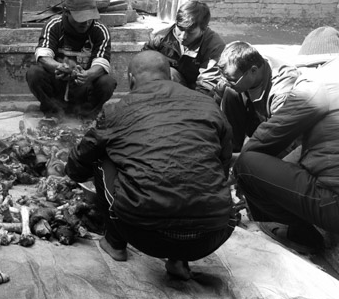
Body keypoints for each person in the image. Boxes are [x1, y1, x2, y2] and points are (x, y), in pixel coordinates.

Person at [65, 50, 235, 280]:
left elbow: (78, 163)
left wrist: (72, 172)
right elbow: (222, 166)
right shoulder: (208, 105)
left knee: (100, 154)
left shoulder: (117, 110)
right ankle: (179, 260)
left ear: (131, 78)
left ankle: (115, 244)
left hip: (143, 233)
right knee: (197, 166)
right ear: (169, 75)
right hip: (211, 234)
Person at [233, 55, 339, 255]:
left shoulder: (320, 82)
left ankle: (301, 235)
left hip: (333, 204)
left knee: (247, 164)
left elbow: (272, 134)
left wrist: (238, 172)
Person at [25, 0, 117, 117]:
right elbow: (43, 56)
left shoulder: (100, 30)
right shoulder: (54, 25)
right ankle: (53, 113)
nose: (85, 22)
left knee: (107, 82)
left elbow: (102, 63)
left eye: (89, 17)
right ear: (66, 12)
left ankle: (87, 115)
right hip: (59, 86)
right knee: (34, 73)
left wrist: (88, 74)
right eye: (80, 18)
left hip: (84, 89)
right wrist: (58, 66)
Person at [215, 41, 300, 152]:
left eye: (232, 80)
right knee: (230, 91)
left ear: (253, 70)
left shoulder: (281, 91)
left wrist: (243, 157)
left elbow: (280, 137)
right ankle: (231, 149)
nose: (225, 82)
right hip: (260, 123)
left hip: (284, 139)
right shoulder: (245, 63)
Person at [142, 0, 225, 94]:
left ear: (203, 29)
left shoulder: (214, 46)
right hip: (164, 87)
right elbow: (143, 61)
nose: (183, 36)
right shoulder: (161, 36)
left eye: (190, 32)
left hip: (195, 92)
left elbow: (207, 85)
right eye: (180, 29)